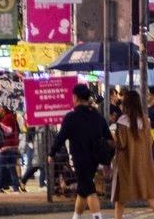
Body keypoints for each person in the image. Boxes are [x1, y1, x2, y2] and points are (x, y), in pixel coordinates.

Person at [51, 84, 115, 219]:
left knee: (90, 190)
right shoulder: (97, 117)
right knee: (82, 190)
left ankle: (97, 217)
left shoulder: (70, 117)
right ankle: (76, 216)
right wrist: (109, 156)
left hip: (80, 158)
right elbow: (110, 139)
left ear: (75, 97)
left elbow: (60, 137)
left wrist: (52, 153)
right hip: (95, 158)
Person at [112, 89, 154, 219]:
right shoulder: (145, 119)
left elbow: (121, 144)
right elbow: (150, 141)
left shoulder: (122, 120)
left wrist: (112, 137)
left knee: (121, 196)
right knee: (147, 192)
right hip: (143, 161)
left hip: (126, 163)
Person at [0, 106, 22, 192]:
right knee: (12, 167)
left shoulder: (8, 118)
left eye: (0, 109)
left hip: (7, 146)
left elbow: (8, 131)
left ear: (4, 110)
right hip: (13, 145)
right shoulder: (12, 117)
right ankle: (15, 187)